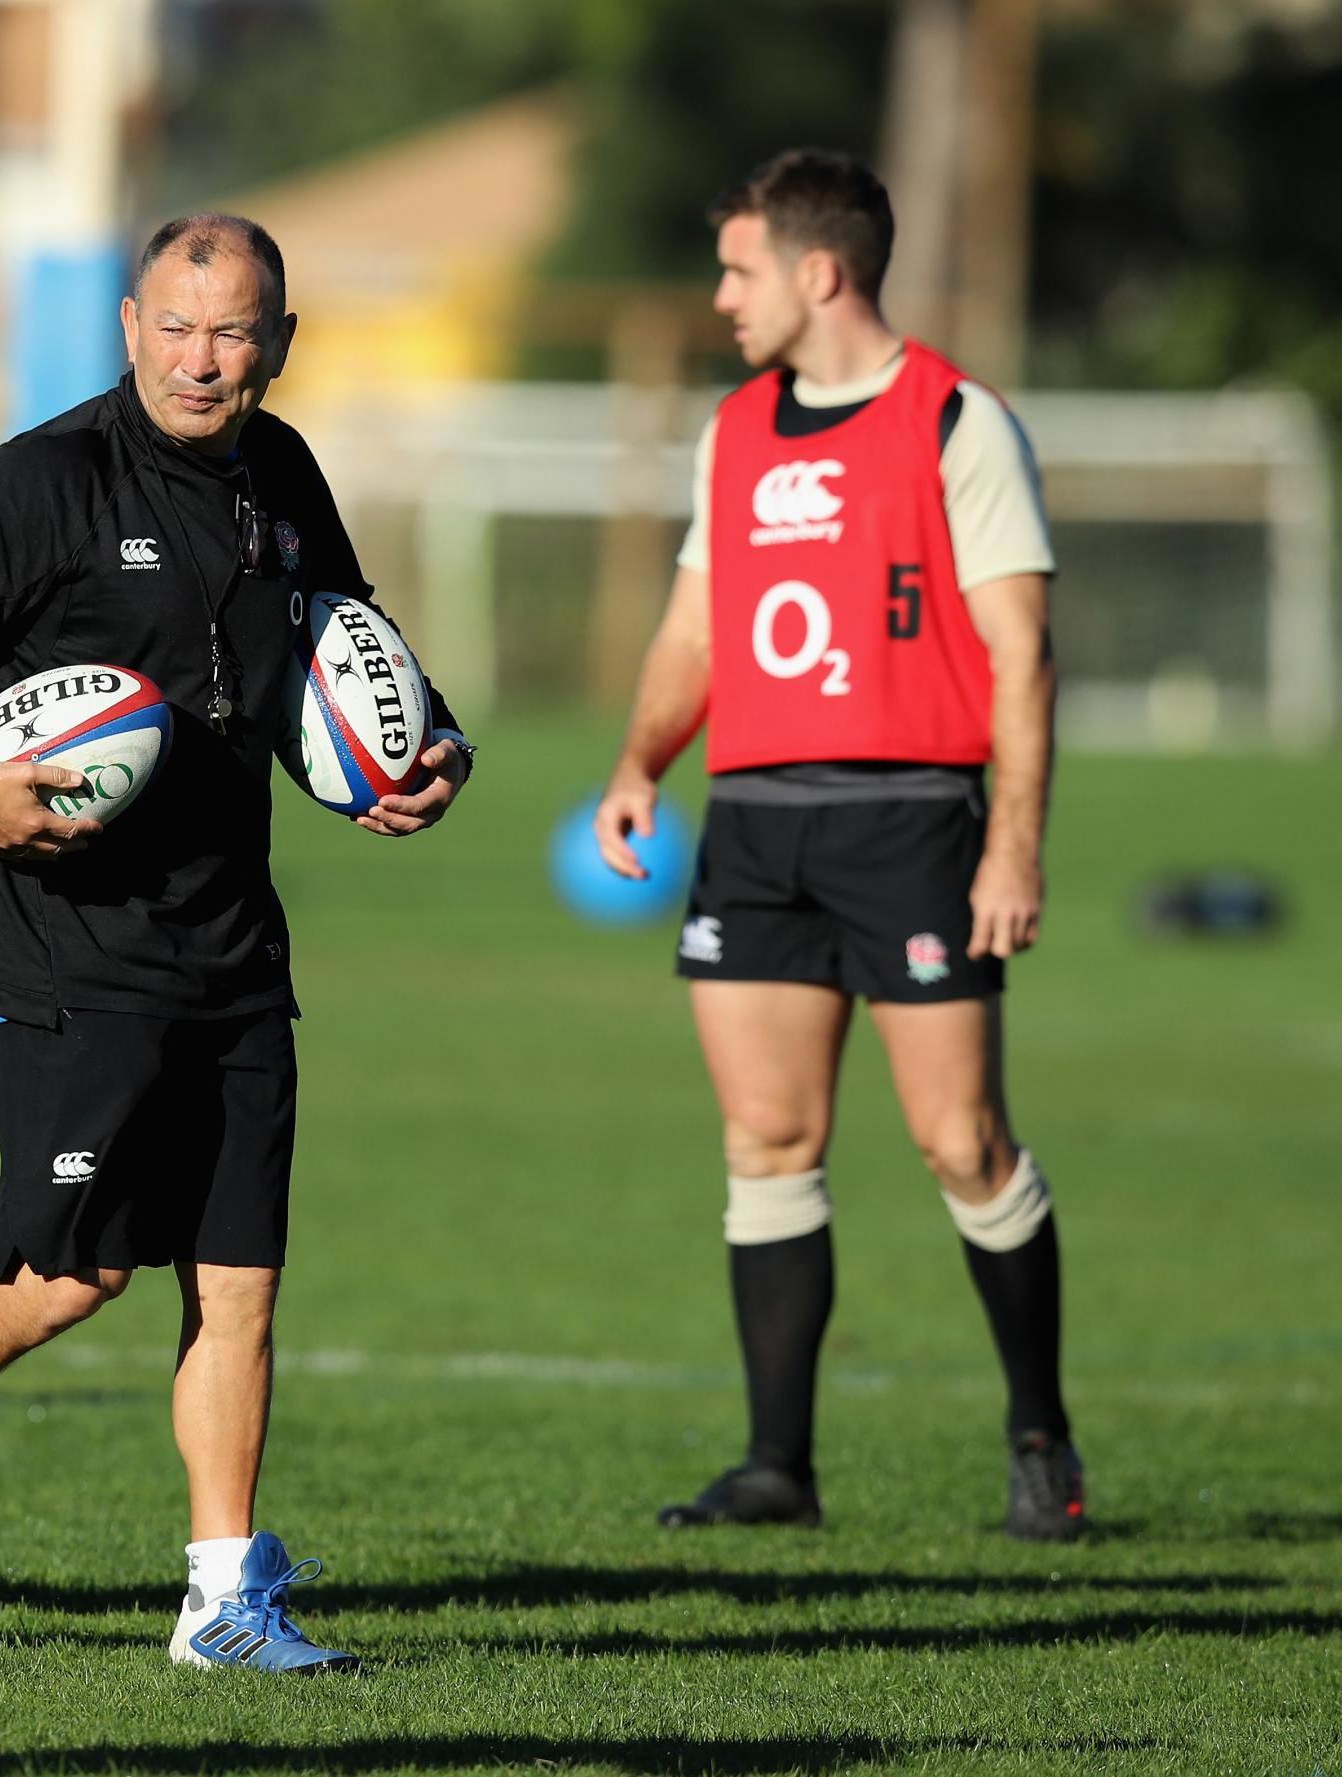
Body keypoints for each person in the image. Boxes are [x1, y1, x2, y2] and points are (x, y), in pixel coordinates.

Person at [0, 214, 472, 1671]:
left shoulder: (280, 475)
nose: (200, 358)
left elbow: (341, 647)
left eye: (232, 331)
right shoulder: (46, 480)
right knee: (66, 1272)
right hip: (72, 938)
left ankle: (223, 1595)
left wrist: (427, 749)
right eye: (175, 325)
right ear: (127, 325)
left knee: (236, 1277)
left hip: (232, 932)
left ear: (278, 344)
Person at [593, 149, 1080, 1541]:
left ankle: (1040, 1434)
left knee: (958, 1141)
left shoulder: (954, 423)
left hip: (911, 822)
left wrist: (1012, 849)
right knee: (766, 1133)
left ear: (818, 272)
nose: (720, 295)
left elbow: (1021, 656)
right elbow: (695, 625)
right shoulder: (735, 426)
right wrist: (639, 762)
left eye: (738, 270)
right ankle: (774, 1468)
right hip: (752, 826)